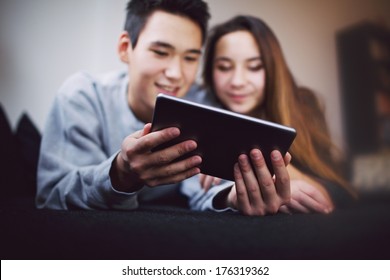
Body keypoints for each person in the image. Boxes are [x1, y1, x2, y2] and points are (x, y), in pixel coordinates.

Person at [36, 0, 291, 214]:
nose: (176, 74)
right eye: (160, 52)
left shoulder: (204, 105)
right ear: (126, 48)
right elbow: (51, 196)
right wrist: (120, 174)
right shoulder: (83, 95)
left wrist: (233, 198)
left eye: (190, 58)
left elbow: (206, 190)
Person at [182, 15, 356, 215]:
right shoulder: (202, 108)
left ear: (273, 68)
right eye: (224, 67)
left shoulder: (303, 105)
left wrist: (278, 167)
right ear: (210, 72)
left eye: (255, 67)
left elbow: (338, 191)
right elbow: (196, 192)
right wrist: (229, 196)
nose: (237, 81)